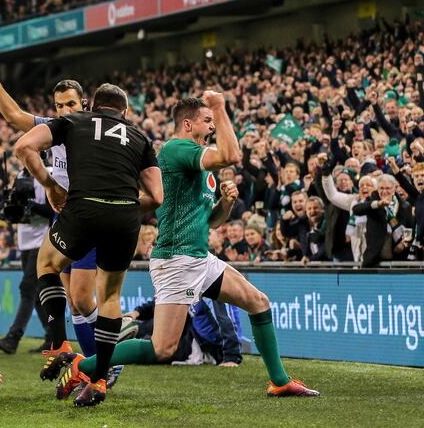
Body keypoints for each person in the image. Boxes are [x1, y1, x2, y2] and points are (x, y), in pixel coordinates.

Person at [48, 93, 319, 400]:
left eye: (213, 120)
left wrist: (226, 203)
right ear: (188, 125)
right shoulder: (177, 149)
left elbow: (212, 222)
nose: (212, 125)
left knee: (258, 302)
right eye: (207, 120)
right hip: (176, 260)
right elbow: (231, 155)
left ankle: (280, 382)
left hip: (199, 257)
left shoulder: (199, 164)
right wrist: (220, 106)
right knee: (162, 349)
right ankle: (83, 365)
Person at [14, 83, 163, 407]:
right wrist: (122, 206)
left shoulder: (74, 122)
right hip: (125, 217)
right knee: (109, 297)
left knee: (47, 263)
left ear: (92, 106)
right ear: (125, 111)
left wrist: (50, 186)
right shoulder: (139, 137)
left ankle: (58, 343)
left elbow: (24, 146)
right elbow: (156, 197)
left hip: (82, 209)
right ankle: (99, 381)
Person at [0, 53, 100, 357]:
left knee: (84, 299)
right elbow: (14, 115)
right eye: (59, 106)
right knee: (73, 301)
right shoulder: (55, 128)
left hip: (89, 218)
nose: (65, 111)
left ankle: (106, 354)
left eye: (71, 104)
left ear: (85, 104)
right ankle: (89, 362)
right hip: (65, 221)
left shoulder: (94, 131)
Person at [0, 169, 53, 354]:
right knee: (36, 293)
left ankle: (13, 337)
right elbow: (13, 212)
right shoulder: (20, 176)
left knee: (27, 287)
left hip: (42, 241)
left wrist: (30, 205)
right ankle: (52, 338)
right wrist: (8, 202)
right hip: (25, 242)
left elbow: (53, 210)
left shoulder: (48, 174)